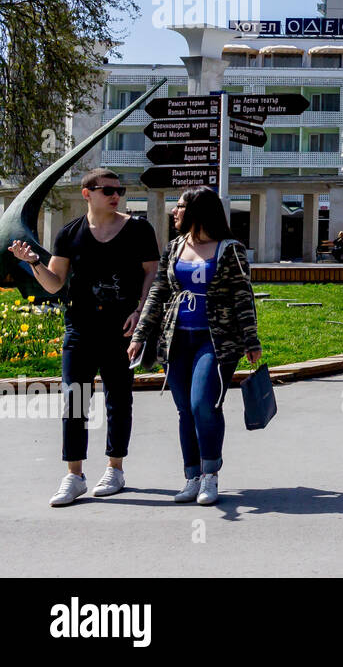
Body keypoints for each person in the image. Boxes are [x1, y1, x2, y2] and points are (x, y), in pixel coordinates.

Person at [8, 169, 160, 507]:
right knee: (74, 400)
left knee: (118, 399)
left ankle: (115, 468)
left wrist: (141, 312)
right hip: (80, 327)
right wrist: (34, 262)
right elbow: (55, 283)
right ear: (87, 193)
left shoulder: (138, 229)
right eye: (107, 190)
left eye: (119, 189)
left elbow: (152, 272)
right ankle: (74, 475)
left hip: (122, 327)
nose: (115, 195)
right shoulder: (70, 234)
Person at [129, 187, 261, 507]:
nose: (175, 212)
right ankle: (192, 477)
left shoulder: (230, 250)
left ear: (197, 211)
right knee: (185, 410)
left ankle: (210, 474)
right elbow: (158, 293)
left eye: (180, 207)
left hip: (214, 338)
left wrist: (251, 338)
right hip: (176, 339)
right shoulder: (174, 247)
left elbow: (242, 295)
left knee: (203, 402)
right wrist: (140, 335)